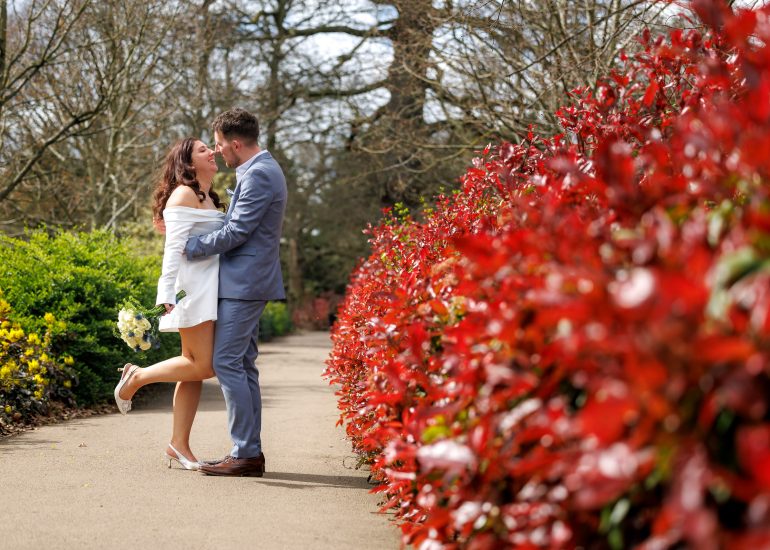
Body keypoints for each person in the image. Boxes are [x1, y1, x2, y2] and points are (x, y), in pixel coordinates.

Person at [185, 108, 287, 477]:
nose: (217, 153)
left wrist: (189, 245)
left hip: (244, 283)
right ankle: (249, 452)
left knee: (227, 362)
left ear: (236, 143)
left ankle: (244, 453)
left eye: (218, 145)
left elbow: (237, 231)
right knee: (241, 364)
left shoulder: (260, 173)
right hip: (245, 281)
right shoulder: (259, 171)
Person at [113, 137, 226, 471]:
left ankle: (179, 445)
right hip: (192, 292)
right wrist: (165, 294)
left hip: (209, 289)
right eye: (204, 150)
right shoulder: (184, 195)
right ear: (189, 163)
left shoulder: (207, 197)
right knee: (203, 366)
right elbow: (173, 249)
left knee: (192, 368)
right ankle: (136, 378)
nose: (213, 152)